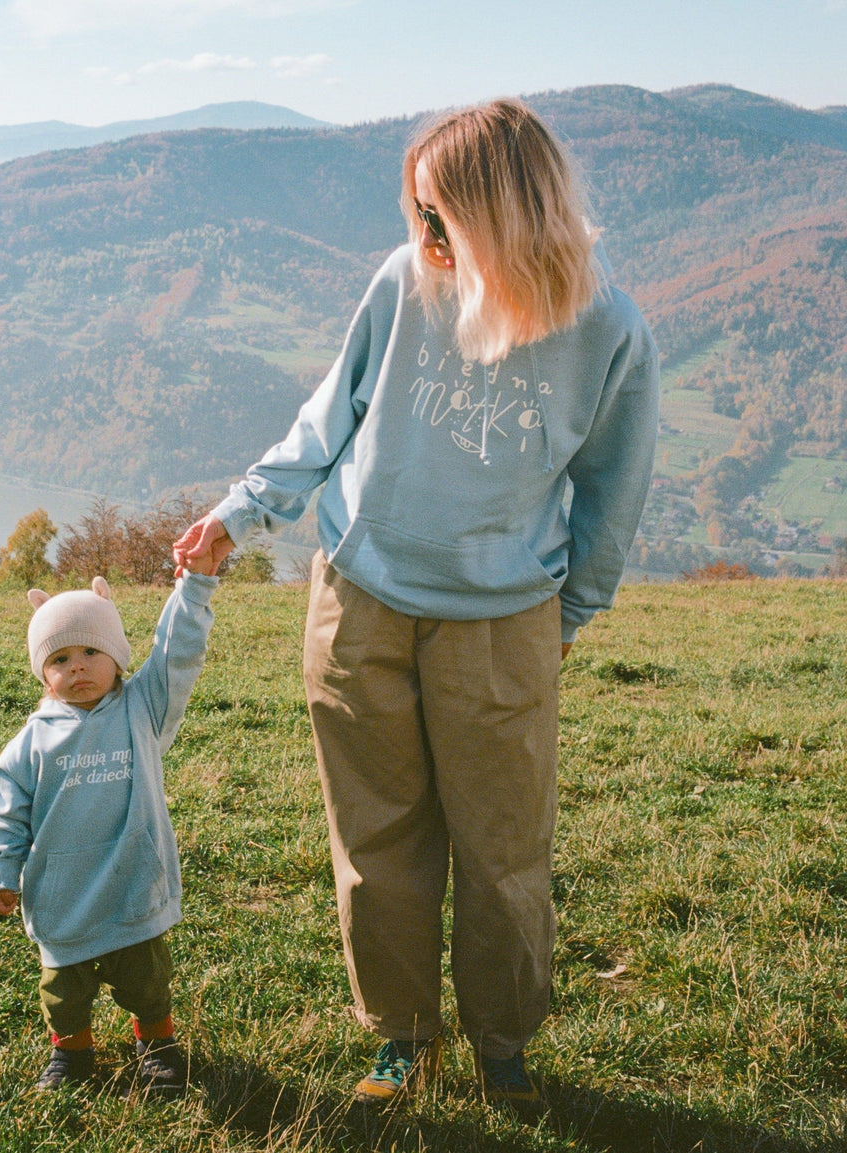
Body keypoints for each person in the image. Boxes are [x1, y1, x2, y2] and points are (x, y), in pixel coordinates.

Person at [174, 98, 660, 1110]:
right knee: (377, 841)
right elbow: (330, 413)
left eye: (440, 218)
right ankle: (400, 1037)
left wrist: (565, 619)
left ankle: (502, 1042)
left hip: (502, 620)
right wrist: (241, 510)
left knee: (502, 850)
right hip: (358, 599)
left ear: (502, 216)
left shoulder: (607, 328)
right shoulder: (405, 282)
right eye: (417, 217)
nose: (423, 237)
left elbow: (613, 492)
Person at [0, 563, 218, 1093]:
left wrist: (194, 586)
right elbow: (7, 810)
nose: (78, 667)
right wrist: (2, 869)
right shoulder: (31, 743)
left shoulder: (143, 710)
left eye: (91, 652)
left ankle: (157, 1048)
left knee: (148, 979)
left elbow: (177, 652)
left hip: (134, 881)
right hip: (64, 893)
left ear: (118, 656)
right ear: (43, 672)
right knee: (63, 990)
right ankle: (73, 1057)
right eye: (60, 659)